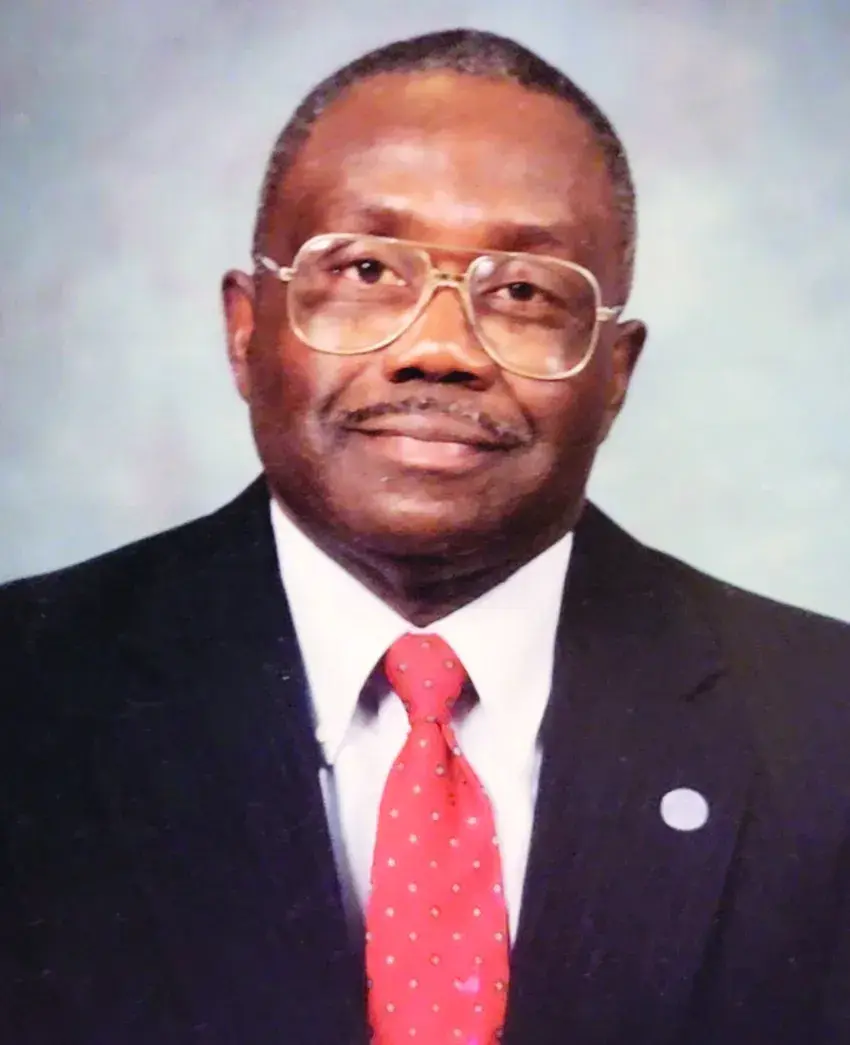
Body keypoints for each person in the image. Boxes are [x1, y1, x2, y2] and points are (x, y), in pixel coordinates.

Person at [2, 27, 849, 1045]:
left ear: (614, 373)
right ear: (245, 327)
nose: (440, 349)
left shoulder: (823, 727)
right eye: (365, 269)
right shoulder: (28, 687)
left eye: (524, 292)